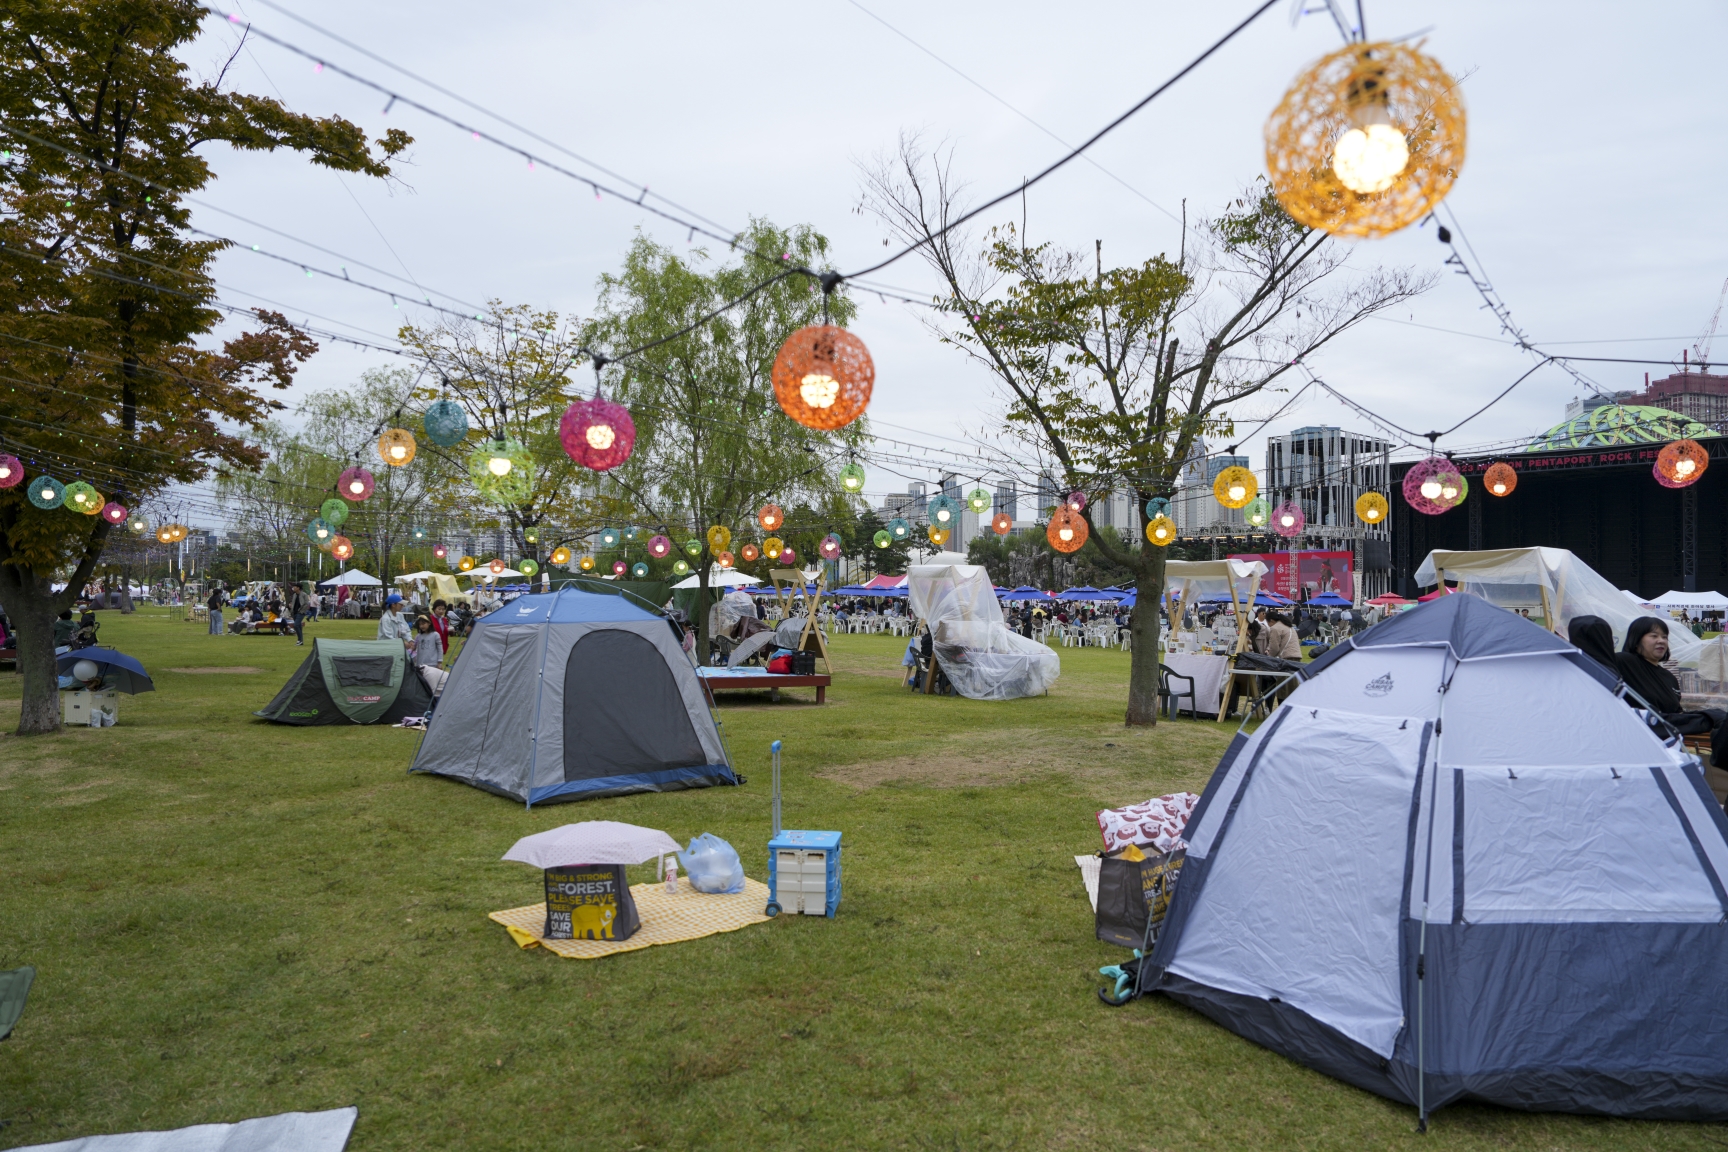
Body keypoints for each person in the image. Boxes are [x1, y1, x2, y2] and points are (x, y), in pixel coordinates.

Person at [1616, 616, 1727, 766]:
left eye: (1664, 637)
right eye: (1653, 636)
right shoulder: (1625, 662)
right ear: (1636, 640)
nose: (1661, 640)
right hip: (1636, 742)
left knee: (1719, 717)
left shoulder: (1668, 677)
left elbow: (1676, 713)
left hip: (1667, 745)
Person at [284, 581, 307, 646]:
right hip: (294, 612)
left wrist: (301, 610)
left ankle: (299, 640)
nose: (293, 588)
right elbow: (293, 603)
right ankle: (300, 640)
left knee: (296, 625)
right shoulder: (294, 595)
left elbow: (306, 604)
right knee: (298, 626)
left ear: (298, 588)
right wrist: (291, 608)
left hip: (301, 612)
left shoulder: (304, 595)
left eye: (295, 587)